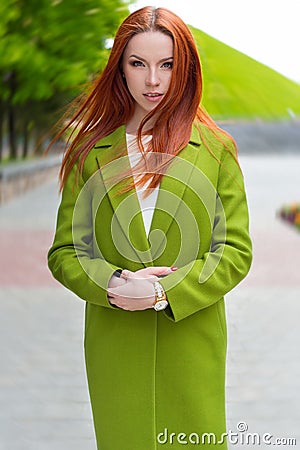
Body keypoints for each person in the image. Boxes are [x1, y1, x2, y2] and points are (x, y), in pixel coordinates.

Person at [47, 6, 252, 449]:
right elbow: (65, 251)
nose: (153, 81)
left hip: (192, 340)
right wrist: (113, 282)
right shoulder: (90, 153)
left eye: (167, 65)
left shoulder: (216, 150)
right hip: (116, 346)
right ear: (120, 69)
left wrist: (163, 291)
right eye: (138, 64)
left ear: (186, 69)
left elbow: (235, 250)